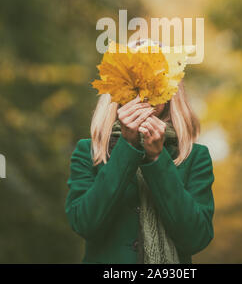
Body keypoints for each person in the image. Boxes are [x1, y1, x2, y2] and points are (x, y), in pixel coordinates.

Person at [65, 43, 214, 264]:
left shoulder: (195, 156)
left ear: (171, 91)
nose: (143, 95)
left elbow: (196, 238)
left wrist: (157, 159)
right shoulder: (89, 151)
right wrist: (127, 147)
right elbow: (84, 224)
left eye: (153, 84)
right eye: (133, 84)